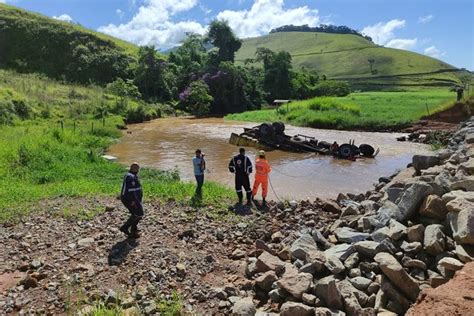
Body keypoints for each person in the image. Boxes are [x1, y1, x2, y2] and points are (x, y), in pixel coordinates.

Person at [119, 162, 143, 239]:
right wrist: (132, 201)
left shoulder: (133, 176)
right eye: (137, 168)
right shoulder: (130, 177)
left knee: (137, 214)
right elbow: (130, 190)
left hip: (135, 199)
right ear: (134, 168)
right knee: (138, 213)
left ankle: (134, 229)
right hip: (130, 199)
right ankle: (125, 227)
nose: (138, 170)